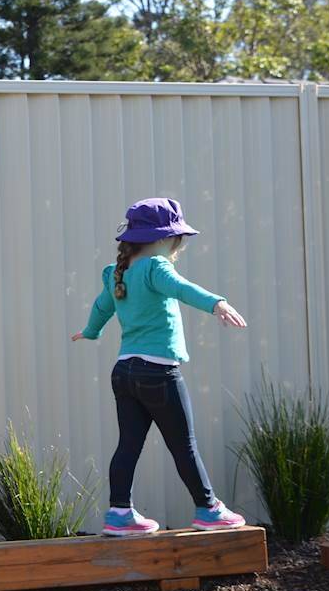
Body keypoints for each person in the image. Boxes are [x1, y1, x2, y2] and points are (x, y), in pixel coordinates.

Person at [72, 198, 249, 536]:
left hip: (124, 372)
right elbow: (182, 290)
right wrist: (217, 303)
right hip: (158, 373)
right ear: (166, 239)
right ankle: (208, 508)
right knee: (184, 444)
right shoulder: (155, 267)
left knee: (128, 444)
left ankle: (119, 513)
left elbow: (101, 308)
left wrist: (90, 332)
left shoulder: (118, 273)